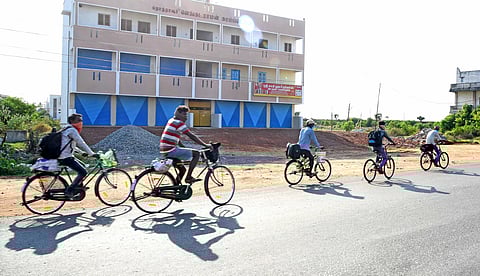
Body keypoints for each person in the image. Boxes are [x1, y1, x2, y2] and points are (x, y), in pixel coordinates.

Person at [160, 105, 212, 184]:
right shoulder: (179, 123)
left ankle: (176, 188)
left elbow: (174, 136)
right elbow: (191, 135)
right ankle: (189, 177)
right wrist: (205, 145)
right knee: (196, 154)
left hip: (164, 150)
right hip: (171, 150)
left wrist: (182, 147)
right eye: (184, 115)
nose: (186, 117)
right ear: (178, 114)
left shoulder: (171, 120)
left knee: (182, 170)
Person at [59, 113, 97, 197]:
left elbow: (70, 146)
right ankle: (70, 190)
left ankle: (78, 188)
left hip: (63, 155)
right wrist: (92, 153)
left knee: (83, 166)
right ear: (72, 121)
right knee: (83, 172)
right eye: (78, 120)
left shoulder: (65, 129)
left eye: (81, 121)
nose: (81, 122)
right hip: (66, 157)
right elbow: (81, 143)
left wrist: (81, 152)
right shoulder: (72, 130)